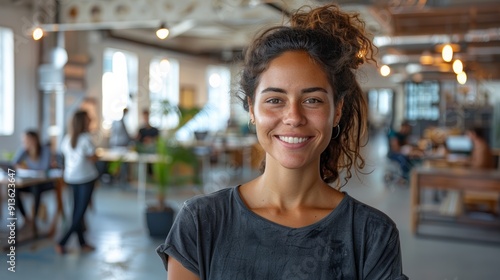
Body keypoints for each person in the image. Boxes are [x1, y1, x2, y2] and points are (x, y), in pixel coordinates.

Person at [157, 4, 408, 279]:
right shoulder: (201, 222)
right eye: (275, 100)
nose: (293, 117)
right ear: (252, 109)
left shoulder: (371, 234)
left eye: (312, 100)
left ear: (337, 110)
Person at [56, 110, 99, 254]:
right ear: (83, 122)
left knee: (76, 211)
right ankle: (62, 242)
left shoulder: (67, 139)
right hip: (86, 178)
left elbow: (63, 156)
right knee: (80, 213)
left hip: (71, 178)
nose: (90, 121)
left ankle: (82, 243)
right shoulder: (86, 139)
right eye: (88, 119)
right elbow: (93, 157)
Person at [12, 130, 54, 229]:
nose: (24, 142)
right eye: (23, 140)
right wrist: (21, 167)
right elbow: (14, 163)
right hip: (30, 182)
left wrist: (28, 167)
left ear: (34, 140)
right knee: (13, 189)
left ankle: (34, 219)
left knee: (36, 188)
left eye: (26, 139)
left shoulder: (45, 150)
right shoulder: (24, 150)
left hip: (44, 182)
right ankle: (26, 218)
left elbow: (44, 168)